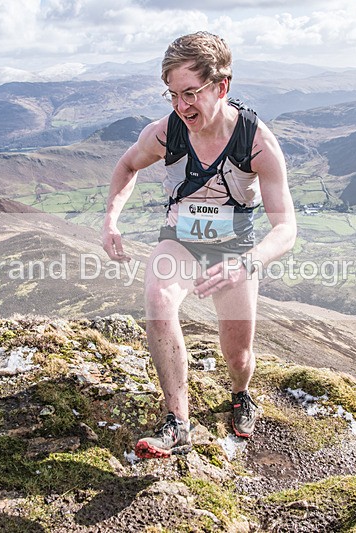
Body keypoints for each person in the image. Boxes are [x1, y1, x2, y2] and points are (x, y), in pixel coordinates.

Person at [102, 31, 296, 459]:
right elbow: (126, 165)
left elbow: (286, 230)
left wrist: (246, 264)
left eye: (191, 93)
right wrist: (111, 220)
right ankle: (178, 421)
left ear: (221, 86)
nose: (181, 106)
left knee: (238, 355)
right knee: (158, 297)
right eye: (172, 94)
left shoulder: (258, 143)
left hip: (236, 251)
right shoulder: (165, 132)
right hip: (181, 242)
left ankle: (242, 395)